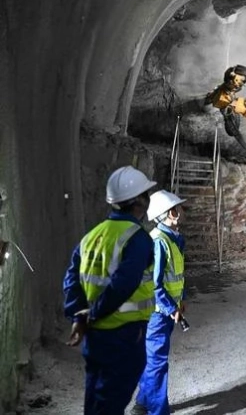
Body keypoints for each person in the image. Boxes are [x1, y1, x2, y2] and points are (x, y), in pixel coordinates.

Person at [63, 165, 158, 414]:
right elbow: (123, 284)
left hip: (95, 336)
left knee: (96, 397)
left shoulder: (92, 236)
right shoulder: (137, 238)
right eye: (146, 194)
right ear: (139, 201)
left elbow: (72, 278)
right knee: (111, 403)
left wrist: (79, 317)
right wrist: (93, 314)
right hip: (123, 334)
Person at [132, 190, 188, 415]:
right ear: (170, 214)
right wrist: (170, 307)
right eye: (178, 207)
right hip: (156, 313)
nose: (182, 210)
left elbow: (175, 276)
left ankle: (143, 403)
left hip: (164, 311)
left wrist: (181, 300)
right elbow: (154, 284)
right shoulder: (158, 242)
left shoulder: (172, 239)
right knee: (157, 363)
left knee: (152, 360)